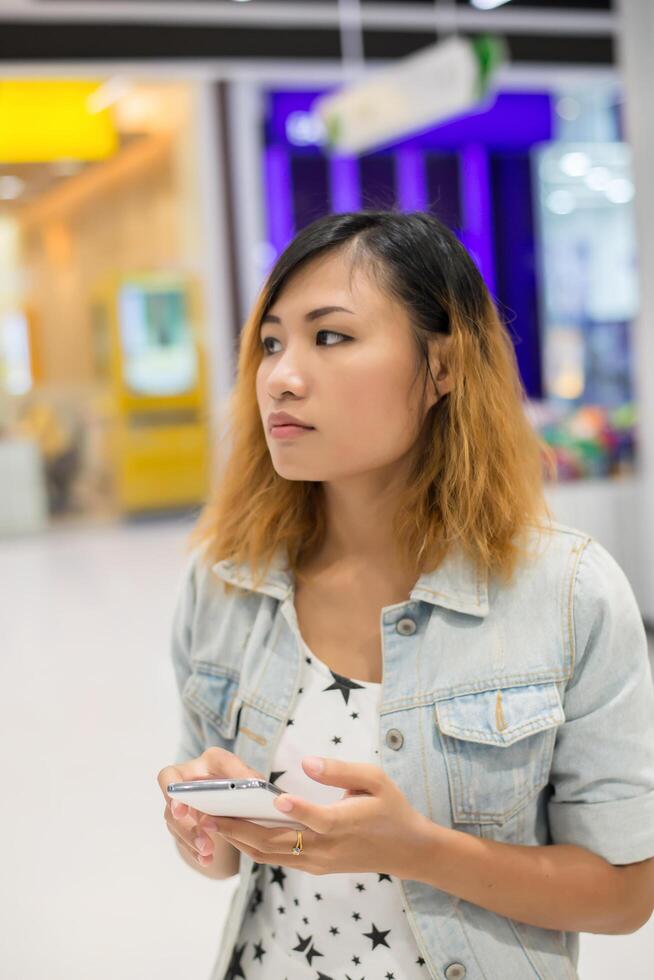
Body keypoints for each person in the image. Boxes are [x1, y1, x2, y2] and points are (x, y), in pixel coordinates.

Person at [157, 210, 654, 980]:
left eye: (331, 336)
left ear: (443, 364)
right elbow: (223, 865)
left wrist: (417, 851)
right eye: (270, 343)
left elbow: (625, 895)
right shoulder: (227, 579)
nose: (282, 377)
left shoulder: (567, 594)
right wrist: (203, 820)